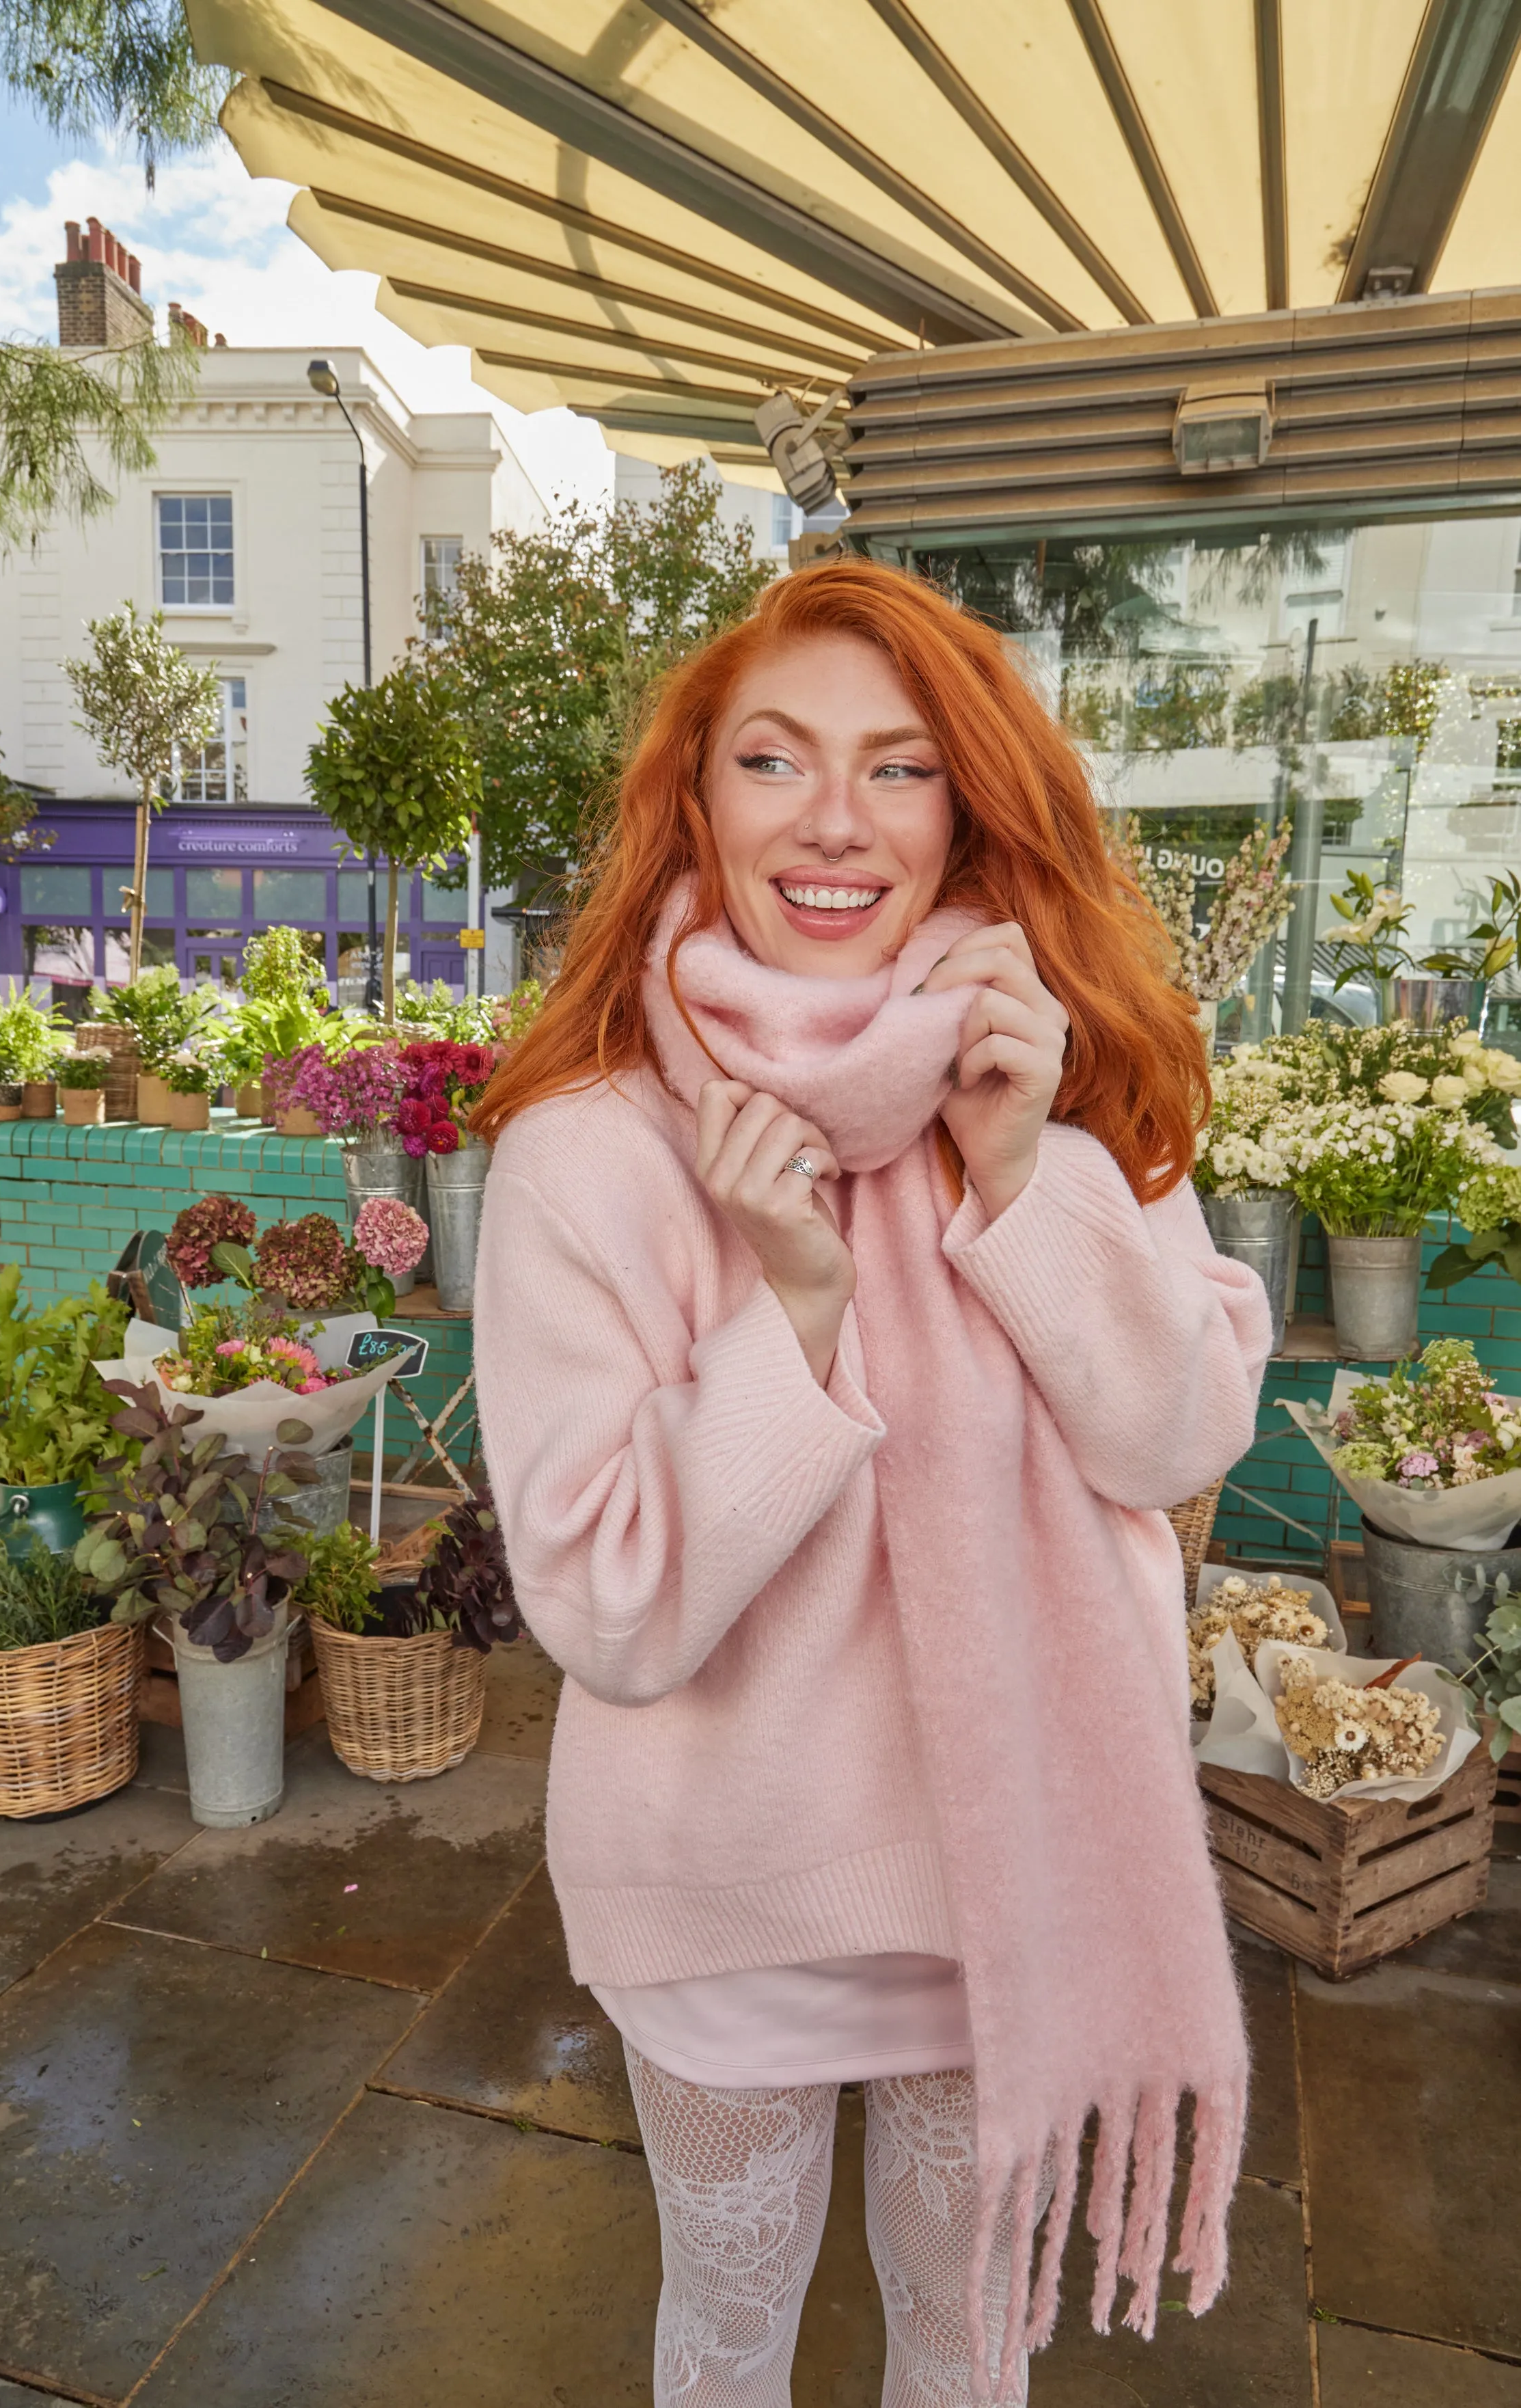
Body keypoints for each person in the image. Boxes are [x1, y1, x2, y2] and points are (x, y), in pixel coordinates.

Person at [471, 558, 1269, 2407]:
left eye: (900, 769)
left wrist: (1017, 1177)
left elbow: (1169, 1443)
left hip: (1009, 1872)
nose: (834, 824)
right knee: (731, 2339)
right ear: (696, 798)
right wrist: (797, 1308)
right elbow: (606, 1607)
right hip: (733, 1883)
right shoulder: (590, 1157)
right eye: (774, 761)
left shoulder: (1056, 1097)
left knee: (966, 2347)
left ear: (969, 808)